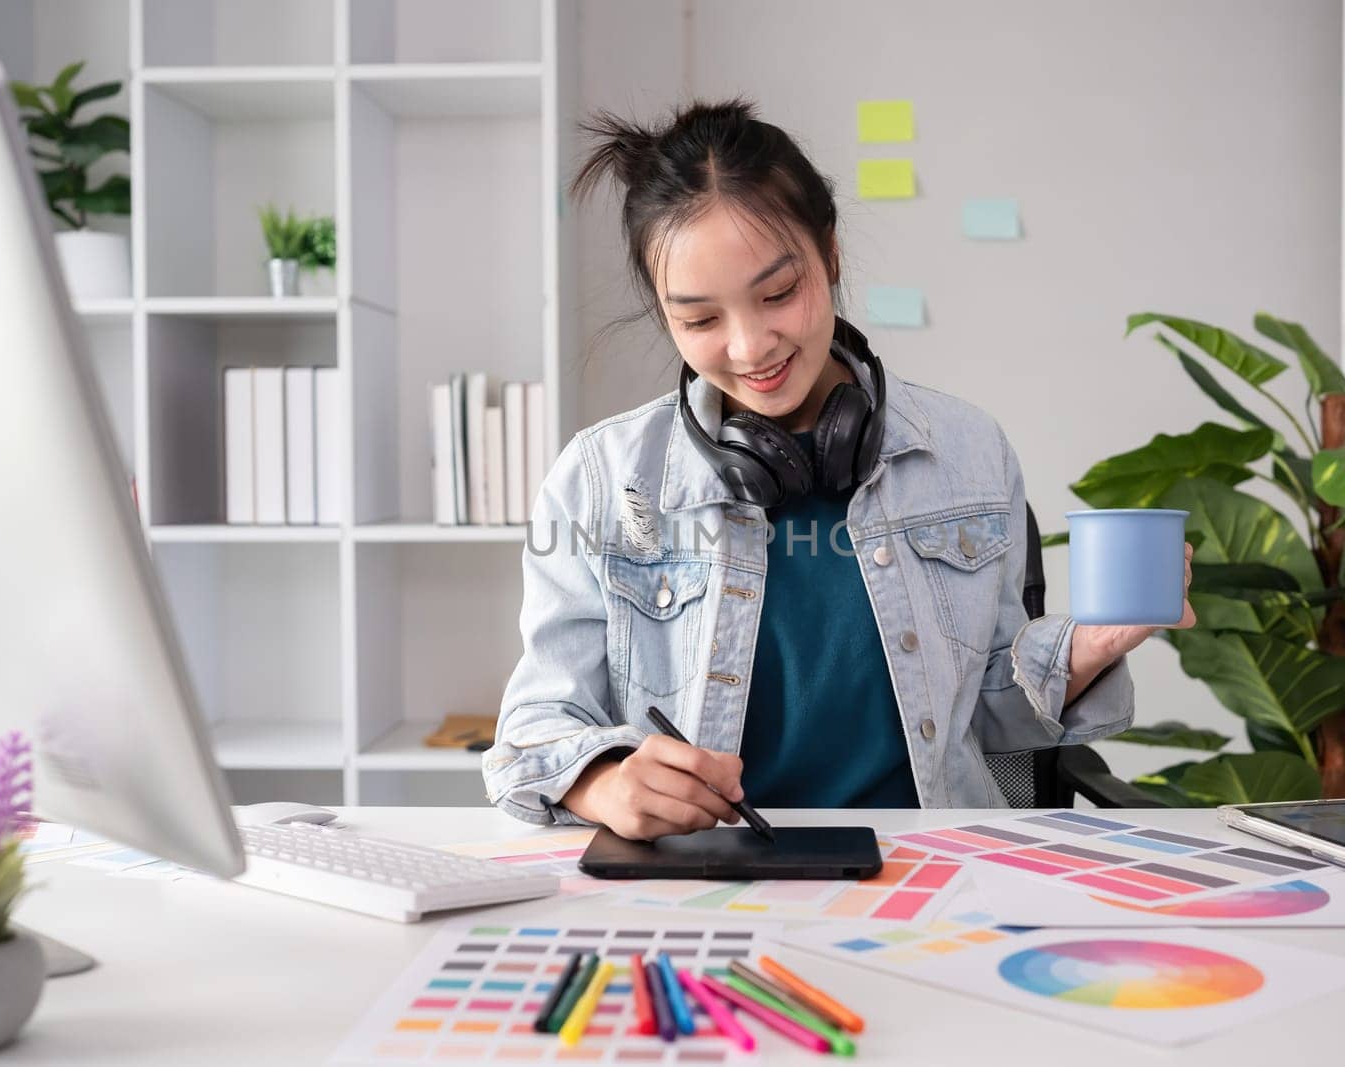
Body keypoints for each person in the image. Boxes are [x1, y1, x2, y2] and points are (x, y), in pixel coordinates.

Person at [484, 99, 1194, 840]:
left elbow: (990, 711)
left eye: (779, 293)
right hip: (701, 870)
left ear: (830, 253)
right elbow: (532, 728)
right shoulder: (600, 480)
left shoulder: (968, 451)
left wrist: (1097, 644)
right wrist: (604, 783)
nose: (751, 345)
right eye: (700, 320)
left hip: (930, 870)